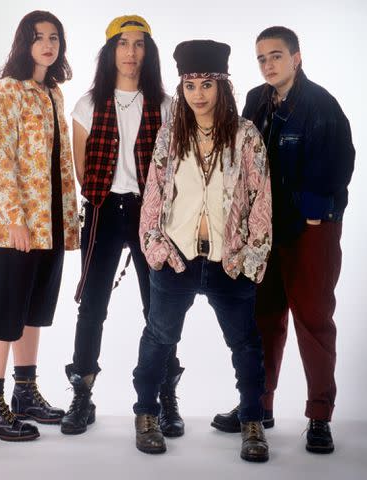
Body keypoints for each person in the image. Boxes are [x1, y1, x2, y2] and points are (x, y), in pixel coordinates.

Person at [211, 26, 355, 454]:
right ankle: (258, 407)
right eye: (261, 58)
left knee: (312, 320)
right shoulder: (256, 100)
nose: (269, 64)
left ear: (297, 58)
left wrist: (314, 213)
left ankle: (319, 417)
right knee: (263, 319)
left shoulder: (322, 104)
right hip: (264, 230)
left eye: (276, 56)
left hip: (310, 231)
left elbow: (339, 165)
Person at [132, 40, 272, 462]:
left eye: (206, 84)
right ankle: (146, 415)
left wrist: (250, 256)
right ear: (182, 88)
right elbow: (153, 195)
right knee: (158, 339)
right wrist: (156, 247)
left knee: (245, 344)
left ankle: (252, 420)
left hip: (229, 261)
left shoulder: (246, 135)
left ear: (222, 86)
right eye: (190, 85)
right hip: (177, 257)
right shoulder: (171, 133)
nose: (198, 94)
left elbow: (260, 198)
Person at [61, 15, 184, 437]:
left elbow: (172, 166)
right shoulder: (88, 104)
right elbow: (82, 169)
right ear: (110, 50)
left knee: (159, 306)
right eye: (123, 44)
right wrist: (108, 196)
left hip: (151, 213)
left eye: (139, 44)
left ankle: (165, 396)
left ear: (147, 52)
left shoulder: (166, 105)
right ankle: (82, 392)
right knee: (92, 304)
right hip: (102, 209)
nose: (131, 53)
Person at [0, 10, 79, 441]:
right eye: (38, 37)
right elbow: (0, 162)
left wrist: (69, 218)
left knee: (35, 311)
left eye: (54, 37)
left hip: (50, 223)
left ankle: (25, 391)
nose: (48, 44)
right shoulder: (7, 93)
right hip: (15, 226)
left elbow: (58, 163)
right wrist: (15, 220)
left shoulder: (53, 92)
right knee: (5, 312)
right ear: (24, 43)